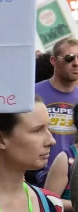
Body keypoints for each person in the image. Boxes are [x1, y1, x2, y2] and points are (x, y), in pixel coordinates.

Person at [35, 38, 78, 185]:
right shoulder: (34, 93)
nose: (76, 63)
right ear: (53, 61)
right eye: (69, 58)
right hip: (39, 175)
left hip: (73, 176)